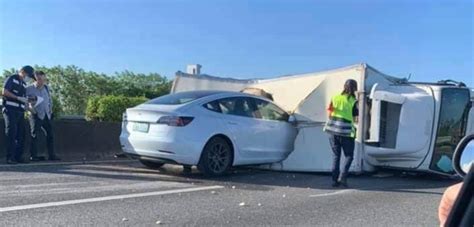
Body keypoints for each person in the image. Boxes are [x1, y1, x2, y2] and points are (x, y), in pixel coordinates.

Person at [324, 79, 359, 187]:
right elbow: (355, 117)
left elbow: (329, 112)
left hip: (332, 130)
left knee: (336, 156)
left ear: (344, 86)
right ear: (354, 88)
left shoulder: (335, 97)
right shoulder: (353, 100)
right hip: (346, 132)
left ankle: (334, 181)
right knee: (349, 156)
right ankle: (342, 177)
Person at [2, 65, 35, 164]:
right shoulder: (12, 78)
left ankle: (18, 157)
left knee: (21, 134)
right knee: (12, 132)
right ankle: (10, 157)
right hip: (10, 109)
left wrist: (29, 105)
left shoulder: (24, 84)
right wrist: (17, 98)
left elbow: (23, 98)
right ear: (22, 72)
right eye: (28, 75)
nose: (28, 78)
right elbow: (4, 92)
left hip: (20, 111)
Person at [26, 71, 60, 161]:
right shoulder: (28, 89)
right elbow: (25, 102)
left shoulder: (46, 88)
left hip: (46, 115)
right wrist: (31, 110)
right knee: (35, 135)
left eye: (42, 79)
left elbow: (49, 100)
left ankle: (52, 155)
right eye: (39, 79)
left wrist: (50, 110)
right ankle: (33, 156)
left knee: (50, 134)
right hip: (35, 114)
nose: (41, 81)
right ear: (35, 79)